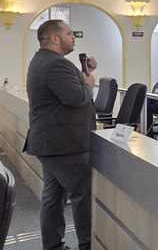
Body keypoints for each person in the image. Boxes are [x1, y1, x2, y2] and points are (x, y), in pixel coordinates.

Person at [25, 20, 96, 250]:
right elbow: (76, 97)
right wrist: (89, 84)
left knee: (54, 198)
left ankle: (53, 245)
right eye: (69, 33)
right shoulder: (55, 64)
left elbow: (69, 89)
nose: (74, 37)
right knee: (81, 197)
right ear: (55, 38)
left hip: (52, 143)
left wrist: (85, 74)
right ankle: (86, 245)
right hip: (65, 144)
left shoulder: (44, 60)